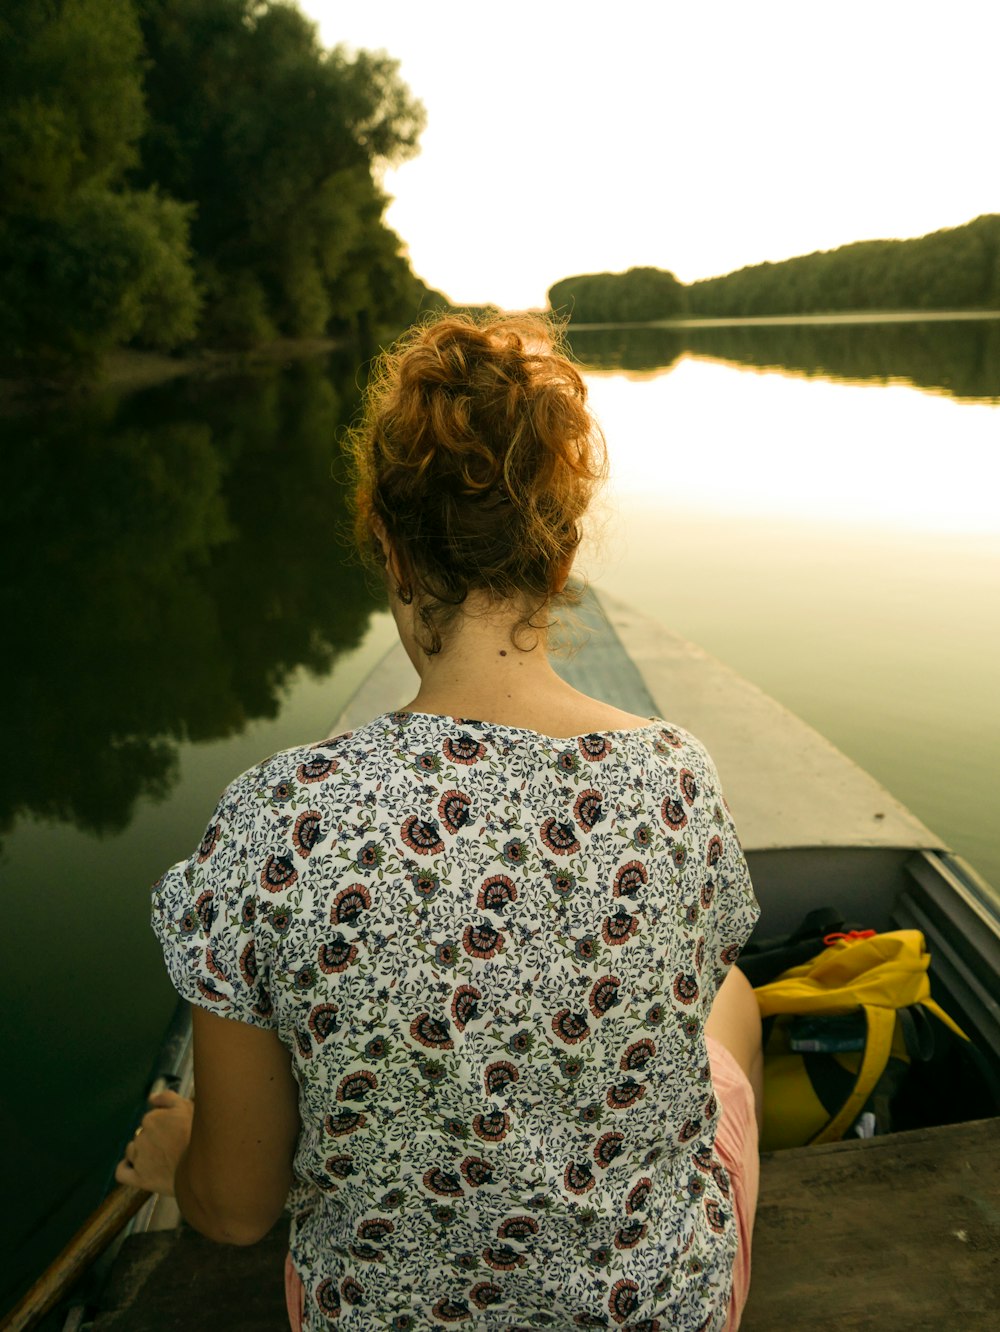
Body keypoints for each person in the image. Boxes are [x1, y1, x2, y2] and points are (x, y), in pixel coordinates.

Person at [117, 313, 763, 1331]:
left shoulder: (274, 818)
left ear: (387, 545)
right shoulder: (674, 778)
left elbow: (236, 1213)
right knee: (731, 1001)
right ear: (557, 561)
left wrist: (181, 1157)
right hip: (658, 1315)